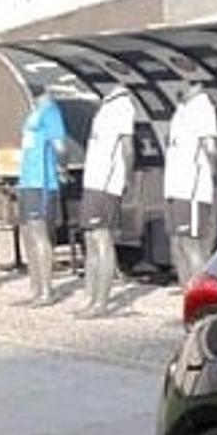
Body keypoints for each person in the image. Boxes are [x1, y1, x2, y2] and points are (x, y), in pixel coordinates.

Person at [78, 85, 136, 318]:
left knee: (102, 239)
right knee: (90, 239)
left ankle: (101, 303)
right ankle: (90, 298)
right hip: (92, 181)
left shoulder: (123, 105)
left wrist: (127, 178)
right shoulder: (106, 106)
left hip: (105, 184)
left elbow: (127, 148)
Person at [164, 85, 217, 287]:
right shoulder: (181, 108)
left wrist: (214, 175)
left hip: (192, 189)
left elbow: (211, 148)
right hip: (174, 186)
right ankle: (188, 297)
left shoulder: (203, 106)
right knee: (177, 245)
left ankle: (202, 303)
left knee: (192, 245)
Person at [15, 90, 67, 307]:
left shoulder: (52, 112)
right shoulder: (35, 113)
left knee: (39, 234)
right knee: (28, 235)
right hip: (26, 180)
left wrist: (62, 165)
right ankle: (35, 289)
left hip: (42, 181)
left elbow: (60, 146)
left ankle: (47, 291)